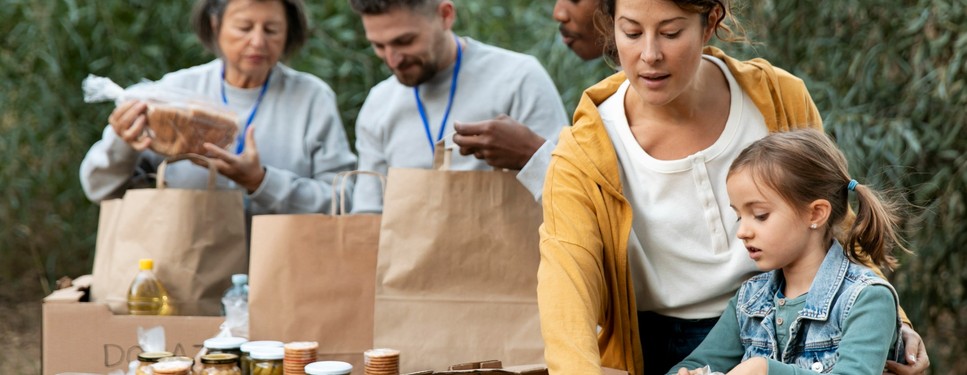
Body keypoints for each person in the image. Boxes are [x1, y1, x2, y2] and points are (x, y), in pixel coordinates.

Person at [535, 0, 929, 374]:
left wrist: (892, 324)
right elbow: (567, 289)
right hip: (651, 349)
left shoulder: (778, 98)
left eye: (670, 33)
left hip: (790, 326)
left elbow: (832, 218)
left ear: (710, 22)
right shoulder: (585, 150)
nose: (649, 54)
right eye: (632, 33)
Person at [80, 0, 357, 216]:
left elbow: (342, 200)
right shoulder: (173, 95)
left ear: (288, 33)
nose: (258, 41)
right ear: (215, 25)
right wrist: (123, 143)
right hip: (187, 266)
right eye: (244, 28)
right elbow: (99, 189)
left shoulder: (312, 98)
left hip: (284, 266)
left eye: (271, 30)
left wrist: (261, 182)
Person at [667, 129, 908, 375]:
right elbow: (695, 364)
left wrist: (764, 370)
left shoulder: (867, 299)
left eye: (760, 215)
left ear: (815, 214)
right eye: (739, 216)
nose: (742, 232)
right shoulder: (748, 299)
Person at [349, 0, 568, 213]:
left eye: (405, 41)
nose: (392, 60)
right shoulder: (379, 103)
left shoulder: (519, 79)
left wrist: (526, 155)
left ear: (445, 15)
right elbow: (368, 212)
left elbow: (568, 188)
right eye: (378, 46)